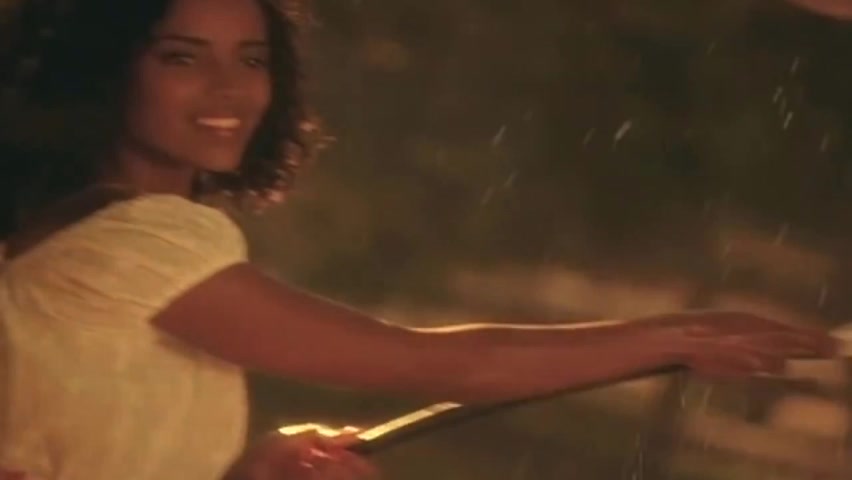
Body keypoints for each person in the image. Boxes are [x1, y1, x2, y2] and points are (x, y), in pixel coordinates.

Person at [0, 0, 838, 479]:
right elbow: (440, 366)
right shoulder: (140, 241)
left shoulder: (64, 229)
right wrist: (675, 337)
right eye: (182, 59)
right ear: (104, 73)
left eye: (253, 59)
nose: (231, 88)